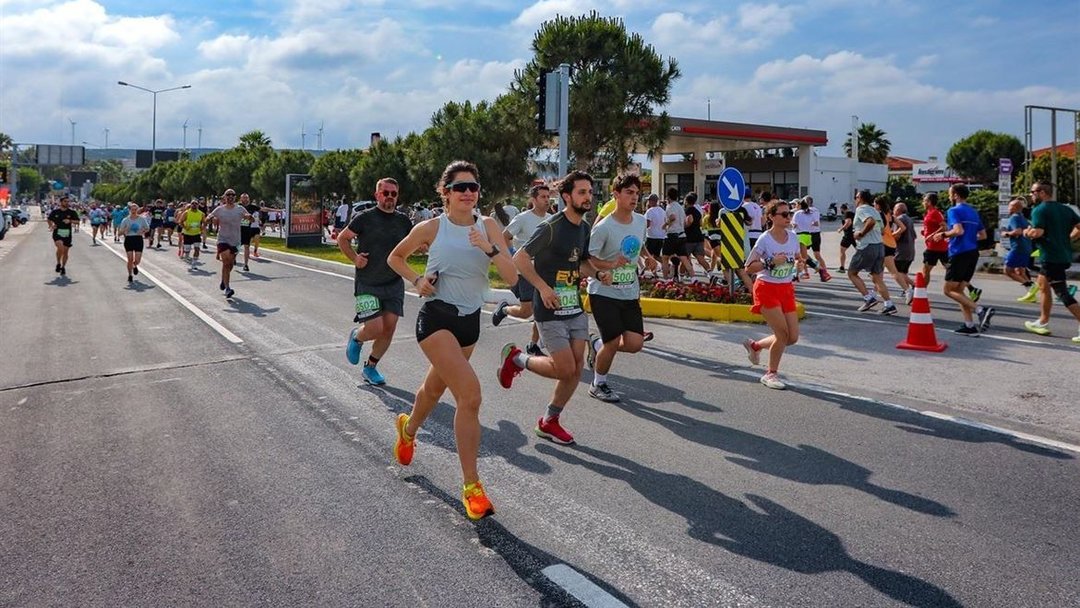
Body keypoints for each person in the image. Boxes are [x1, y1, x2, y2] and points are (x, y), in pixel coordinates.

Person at [387, 160, 518, 520]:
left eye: (473, 187)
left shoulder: (488, 226)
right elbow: (395, 257)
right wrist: (416, 281)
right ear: (445, 193)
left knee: (433, 390)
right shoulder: (432, 227)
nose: (468, 193)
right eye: (460, 187)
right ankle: (472, 487)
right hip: (437, 317)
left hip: (469, 322)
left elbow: (512, 274)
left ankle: (408, 429)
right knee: (470, 395)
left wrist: (488, 248)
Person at [498, 170, 602, 446]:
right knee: (563, 368)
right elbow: (521, 258)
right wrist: (542, 288)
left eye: (590, 192)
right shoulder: (551, 227)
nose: (588, 197)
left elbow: (582, 263)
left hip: (574, 306)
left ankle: (549, 421)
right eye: (582, 192)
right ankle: (517, 359)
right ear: (567, 196)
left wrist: (598, 273)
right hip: (549, 307)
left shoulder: (584, 227)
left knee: (576, 368)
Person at [338, 178, 413, 386]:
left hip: (394, 283)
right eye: (385, 193)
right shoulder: (364, 218)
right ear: (377, 195)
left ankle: (370, 367)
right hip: (367, 283)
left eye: (393, 194)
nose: (390, 197)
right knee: (375, 328)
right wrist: (355, 259)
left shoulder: (404, 221)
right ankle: (357, 337)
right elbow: (343, 239)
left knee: (389, 328)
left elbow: (415, 242)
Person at [583, 173, 650, 402]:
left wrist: (648, 257)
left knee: (635, 344)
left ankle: (597, 344)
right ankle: (598, 384)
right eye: (629, 192)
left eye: (637, 193)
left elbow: (639, 245)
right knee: (612, 342)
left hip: (629, 291)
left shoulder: (641, 221)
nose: (634, 198)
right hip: (603, 292)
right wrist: (610, 265)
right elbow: (587, 260)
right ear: (616, 195)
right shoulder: (604, 227)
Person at [742, 199, 805, 390]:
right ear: (771, 217)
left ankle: (755, 346)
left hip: (786, 288)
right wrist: (770, 262)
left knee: (792, 337)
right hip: (766, 287)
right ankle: (770, 374)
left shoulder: (793, 237)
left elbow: (795, 258)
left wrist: (798, 265)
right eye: (784, 214)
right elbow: (749, 267)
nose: (789, 218)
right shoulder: (765, 239)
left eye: (790, 214)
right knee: (782, 334)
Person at [493, 184, 551, 356]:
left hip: (544, 271)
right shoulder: (523, 218)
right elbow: (505, 237)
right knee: (527, 311)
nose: (547, 200)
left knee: (542, 308)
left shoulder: (551, 219)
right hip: (524, 270)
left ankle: (534, 345)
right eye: (543, 197)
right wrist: (512, 255)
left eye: (548, 197)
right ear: (533, 200)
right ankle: (504, 309)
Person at [930, 184, 994, 334]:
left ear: (956, 195)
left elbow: (958, 230)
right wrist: (967, 238)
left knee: (948, 290)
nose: (948, 196)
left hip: (959, 253)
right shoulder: (973, 212)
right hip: (973, 253)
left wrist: (943, 235)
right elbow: (982, 235)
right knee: (959, 290)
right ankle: (969, 325)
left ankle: (981, 310)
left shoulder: (953, 210)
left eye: (950, 194)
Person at [1021, 182, 1080, 341]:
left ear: (1042, 192)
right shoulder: (1065, 209)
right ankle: (1042, 321)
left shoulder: (1040, 210)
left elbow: (1038, 232)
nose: (1031, 195)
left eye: (1033, 192)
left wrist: (1027, 232)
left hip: (1051, 257)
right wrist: (1068, 239)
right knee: (1042, 284)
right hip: (1062, 255)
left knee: (1062, 292)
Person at [846, 190, 897, 315]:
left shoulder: (862, 209)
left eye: (856, 197)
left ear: (861, 198)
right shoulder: (876, 211)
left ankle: (868, 298)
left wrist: (861, 233)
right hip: (880, 246)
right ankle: (889, 304)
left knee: (852, 273)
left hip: (867, 246)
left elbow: (870, 222)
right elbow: (881, 230)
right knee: (877, 278)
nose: (855, 199)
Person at [204, 189, 250, 299]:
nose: (230, 197)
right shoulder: (219, 209)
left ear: (235, 197)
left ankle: (224, 280)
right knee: (226, 261)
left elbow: (249, 217)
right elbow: (208, 218)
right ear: (224, 197)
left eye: (232, 195)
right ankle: (228, 288)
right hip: (223, 239)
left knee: (230, 264)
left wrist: (250, 217)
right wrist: (208, 219)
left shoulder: (240, 209)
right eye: (228, 195)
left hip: (236, 240)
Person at [874, 196, 912, 302]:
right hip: (891, 244)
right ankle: (874, 292)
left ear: (878, 205)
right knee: (878, 272)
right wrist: (892, 234)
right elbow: (903, 227)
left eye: (874, 204)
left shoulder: (879, 215)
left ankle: (908, 290)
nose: (873, 206)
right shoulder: (890, 214)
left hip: (883, 244)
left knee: (893, 271)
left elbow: (880, 230)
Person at [1001, 198, 1038, 303]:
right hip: (1027, 247)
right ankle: (1031, 295)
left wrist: (1006, 234)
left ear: (1015, 208)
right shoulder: (1023, 218)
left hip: (1018, 248)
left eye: (1010, 206)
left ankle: (1030, 286)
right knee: (1020, 271)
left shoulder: (1014, 218)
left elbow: (1018, 231)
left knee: (1008, 270)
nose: (1008, 208)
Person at [661, 187, 692, 280]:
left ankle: (665, 279)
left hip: (672, 235)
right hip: (682, 235)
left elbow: (673, 217)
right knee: (684, 258)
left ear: (668, 197)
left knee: (665, 258)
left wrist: (665, 225)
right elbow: (685, 222)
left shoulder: (670, 206)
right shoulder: (680, 207)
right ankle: (693, 278)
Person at [919, 192, 950, 285]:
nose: (922, 203)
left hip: (934, 247)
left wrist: (931, 235)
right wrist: (925, 233)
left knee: (926, 270)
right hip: (939, 247)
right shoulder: (930, 213)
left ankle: (921, 292)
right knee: (950, 269)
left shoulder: (935, 213)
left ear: (929, 202)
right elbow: (934, 227)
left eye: (924, 201)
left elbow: (944, 227)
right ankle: (971, 287)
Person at [47, 195, 80, 276]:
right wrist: (51, 226)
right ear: (61, 202)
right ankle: (58, 262)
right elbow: (48, 219)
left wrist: (70, 221)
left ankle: (63, 267)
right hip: (57, 233)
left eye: (68, 201)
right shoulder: (55, 212)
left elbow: (78, 222)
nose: (67, 203)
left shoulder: (72, 212)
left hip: (67, 234)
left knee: (65, 252)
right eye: (65, 201)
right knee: (60, 247)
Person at [892, 202, 916, 304]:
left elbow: (897, 236)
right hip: (910, 250)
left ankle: (911, 287)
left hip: (901, 250)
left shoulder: (899, 219)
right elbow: (914, 235)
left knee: (896, 272)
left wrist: (888, 236)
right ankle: (908, 289)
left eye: (894, 209)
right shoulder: (909, 219)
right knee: (903, 272)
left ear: (897, 210)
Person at [119, 203, 150, 283]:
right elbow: (120, 233)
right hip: (129, 239)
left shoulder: (142, 219)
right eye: (132, 209)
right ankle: (130, 275)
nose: (134, 211)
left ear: (137, 210)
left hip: (138, 239)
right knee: (130, 259)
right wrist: (126, 230)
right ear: (130, 210)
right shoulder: (125, 220)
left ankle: (134, 265)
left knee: (137, 260)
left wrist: (142, 231)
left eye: (135, 209)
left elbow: (147, 229)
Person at [177, 199, 205, 267]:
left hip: (196, 234)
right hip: (187, 234)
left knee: (197, 249)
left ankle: (194, 263)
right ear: (191, 205)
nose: (194, 205)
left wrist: (202, 229)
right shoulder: (186, 212)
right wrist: (185, 227)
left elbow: (204, 222)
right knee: (187, 250)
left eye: (196, 204)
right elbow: (180, 222)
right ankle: (186, 255)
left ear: (198, 205)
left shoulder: (201, 214)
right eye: (193, 203)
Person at [643, 194, 666, 277]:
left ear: (652, 201)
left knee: (647, 254)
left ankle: (652, 271)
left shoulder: (650, 211)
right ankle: (666, 265)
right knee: (656, 255)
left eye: (649, 200)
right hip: (661, 236)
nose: (648, 202)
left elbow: (647, 224)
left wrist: (641, 228)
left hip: (651, 236)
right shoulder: (663, 211)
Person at [837, 203, 855, 271]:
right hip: (854, 234)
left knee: (842, 250)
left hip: (848, 235)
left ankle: (842, 267)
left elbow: (848, 222)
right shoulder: (852, 213)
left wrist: (841, 229)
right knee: (860, 251)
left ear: (842, 209)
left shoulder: (846, 214)